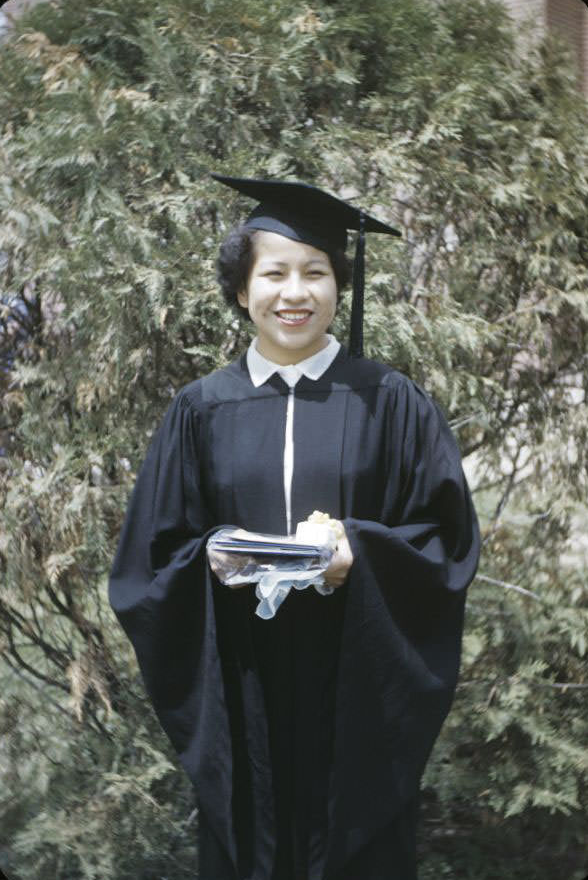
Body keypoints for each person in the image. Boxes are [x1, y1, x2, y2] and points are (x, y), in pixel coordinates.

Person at [109, 174, 480, 880]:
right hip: (242, 678)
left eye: (315, 273)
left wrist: (358, 555)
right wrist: (210, 558)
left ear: (338, 286)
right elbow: (146, 562)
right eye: (273, 273)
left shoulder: (389, 402)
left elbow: (447, 544)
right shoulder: (199, 410)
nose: (295, 292)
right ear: (242, 291)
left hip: (355, 687)